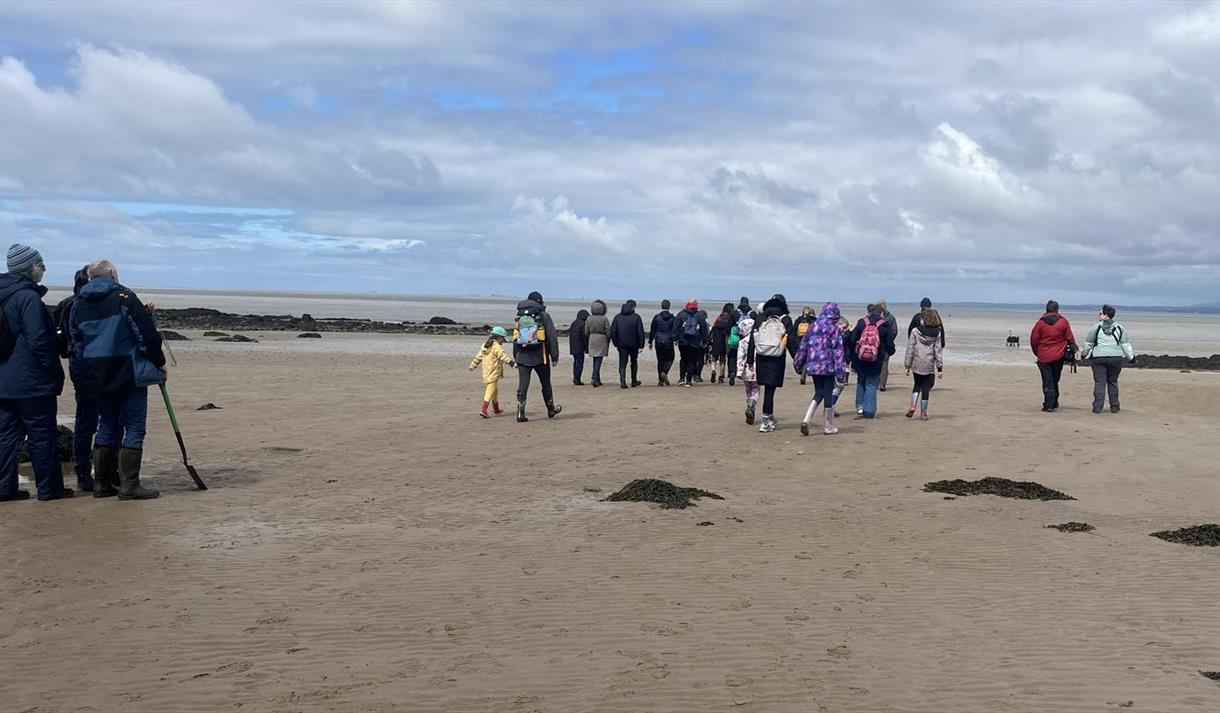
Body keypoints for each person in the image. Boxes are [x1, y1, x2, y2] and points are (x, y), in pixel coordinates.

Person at [70, 259, 165, 500]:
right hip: (126, 369)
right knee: (134, 426)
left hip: (96, 370)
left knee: (106, 425)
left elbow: (77, 339)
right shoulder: (124, 297)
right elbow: (145, 334)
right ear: (112, 273)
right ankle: (129, 485)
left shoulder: (79, 302)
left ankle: (102, 484)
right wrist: (159, 362)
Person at [0, 244, 70, 502]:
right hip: (31, 382)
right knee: (42, 436)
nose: (44, 269)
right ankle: (50, 489)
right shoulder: (27, 298)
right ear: (28, 269)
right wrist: (54, 372)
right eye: (40, 265)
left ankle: (4, 489)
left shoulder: (7, 295)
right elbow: (39, 340)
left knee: (6, 437)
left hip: (4, 381)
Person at [53, 266, 98, 492]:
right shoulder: (86, 303)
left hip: (77, 367)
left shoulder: (68, 303)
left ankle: (84, 471)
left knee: (86, 421)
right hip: (89, 367)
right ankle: (93, 471)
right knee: (100, 420)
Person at [793, 302, 847, 436]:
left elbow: (803, 346)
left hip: (813, 365)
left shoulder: (813, 327)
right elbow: (838, 351)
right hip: (828, 366)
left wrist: (798, 363)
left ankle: (807, 419)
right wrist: (840, 372)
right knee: (827, 393)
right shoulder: (834, 329)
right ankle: (828, 425)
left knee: (819, 392)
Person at [511, 291, 562, 422]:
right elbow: (552, 337)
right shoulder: (544, 316)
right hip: (541, 356)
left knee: (523, 385)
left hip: (522, 355)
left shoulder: (520, 316)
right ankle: (550, 409)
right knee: (546, 383)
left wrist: (516, 355)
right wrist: (554, 356)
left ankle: (520, 413)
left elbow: (516, 337)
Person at [751, 294, 793, 433]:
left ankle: (769, 417)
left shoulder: (760, 318)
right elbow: (791, 341)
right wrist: (798, 359)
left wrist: (749, 359)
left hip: (761, 357)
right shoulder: (785, 319)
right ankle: (765, 421)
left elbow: (753, 339)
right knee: (770, 390)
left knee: (767, 389)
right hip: (776, 358)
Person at [846, 303, 896, 419]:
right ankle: (869, 411)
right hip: (876, 359)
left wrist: (854, 353)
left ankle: (860, 406)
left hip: (860, 358)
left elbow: (852, 340)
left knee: (861, 381)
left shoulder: (861, 322)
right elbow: (890, 345)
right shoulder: (884, 325)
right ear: (882, 313)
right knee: (871, 384)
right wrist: (889, 352)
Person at [1082, 304, 1134, 414]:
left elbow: (1089, 343)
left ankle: (1097, 407)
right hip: (1116, 358)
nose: (1099, 315)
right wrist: (1131, 357)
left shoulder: (1096, 327)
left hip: (1098, 358)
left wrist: (1084, 354)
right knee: (1113, 381)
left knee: (1099, 382)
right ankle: (1114, 406)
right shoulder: (1119, 328)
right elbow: (1125, 344)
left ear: (1106, 315)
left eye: (1100, 313)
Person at [1029, 299, 1076, 413]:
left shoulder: (1040, 323)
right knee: (1055, 379)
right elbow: (1069, 337)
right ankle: (1053, 402)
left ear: (1047, 309)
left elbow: (1034, 340)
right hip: (1058, 355)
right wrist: (1072, 347)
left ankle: (1049, 404)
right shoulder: (1063, 322)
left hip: (1044, 356)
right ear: (1057, 309)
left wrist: (1037, 352)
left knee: (1048, 380)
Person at [904, 308, 945, 421]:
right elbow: (938, 351)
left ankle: (912, 406)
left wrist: (907, 365)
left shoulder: (915, 331)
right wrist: (940, 368)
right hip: (929, 363)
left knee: (917, 384)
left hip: (916, 362)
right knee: (926, 388)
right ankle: (923, 413)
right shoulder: (937, 333)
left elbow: (910, 349)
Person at [469, 327, 515, 418]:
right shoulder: (497, 347)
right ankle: (484, 410)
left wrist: (473, 365)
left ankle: (496, 409)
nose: (503, 341)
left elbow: (478, 357)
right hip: (494, 371)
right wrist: (512, 363)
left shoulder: (485, 345)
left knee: (494, 390)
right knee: (490, 390)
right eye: (502, 339)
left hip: (486, 371)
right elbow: (503, 356)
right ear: (499, 337)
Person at [610, 299, 645, 389]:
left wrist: (616, 343)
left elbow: (613, 332)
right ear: (633, 307)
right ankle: (634, 381)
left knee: (622, 363)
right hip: (634, 344)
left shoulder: (617, 317)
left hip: (622, 344)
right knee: (634, 362)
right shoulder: (636, 317)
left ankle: (623, 382)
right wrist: (641, 345)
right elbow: (640, 332)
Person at [673, 299, 708, 387]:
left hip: (683, 340)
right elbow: (704, 330)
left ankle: (682, 378)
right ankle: (688, 380)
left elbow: (675, 327)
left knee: (683, 359)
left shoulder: (681, 314)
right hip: (695, 341)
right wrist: (705, 341)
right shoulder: (699, 316)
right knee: (692, 360)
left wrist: (675, 338)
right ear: (696, 306)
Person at [735, 314, 760, 425]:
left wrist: (739, 371)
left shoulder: (742, 342)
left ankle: (749, 406)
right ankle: (751, 405)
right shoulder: (759, 339)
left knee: (748, 390)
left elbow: (740, 358)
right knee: (756, 390)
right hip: (757, 370)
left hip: (746, 370)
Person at [648, 299, 677, 386]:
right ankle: (664, 372)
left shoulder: (657, 317)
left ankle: (661, 380)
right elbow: (674, 330)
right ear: (669, 306)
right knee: (670, 358)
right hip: (668, 340)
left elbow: (652, 330)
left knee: (660, 360)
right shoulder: (672, 318)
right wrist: (675, 339)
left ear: (661, 306)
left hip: (659, 340)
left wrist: (650, 342)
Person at [583, 299, 610, 388]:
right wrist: (608, 338)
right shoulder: (604, 318)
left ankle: (597, 378)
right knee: (599, 359)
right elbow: (608, 330)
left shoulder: (589, 318)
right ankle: (594, 377)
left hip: (592, 338)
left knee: (595, 359)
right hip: (602, 339)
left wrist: (590, 336)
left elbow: (586, 331)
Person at [876, 299, 899, 391]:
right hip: (885, 344)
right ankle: (882, 385)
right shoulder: (891, 317)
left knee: (877, 364)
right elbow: (894, 331)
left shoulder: (873, 316)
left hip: (876, 344)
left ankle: (877, 384)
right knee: (884, 365)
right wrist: (889, 340)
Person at [708, 303, 734, 384]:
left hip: (715, 344)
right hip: (724, 344)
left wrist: (709, 342)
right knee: (722, 361)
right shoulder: (728, 324)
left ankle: (713, 370)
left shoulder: (716, 324)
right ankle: (721, 376)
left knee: (714, 359)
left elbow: (711, 334)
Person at [792, 305, 816, 385]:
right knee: (807, 359)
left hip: (799, 341)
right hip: (810, 341)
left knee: (800, 358)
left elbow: (794, 331)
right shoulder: (813, 320)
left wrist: (794, 341)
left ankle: (801, 371)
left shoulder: (798, 320)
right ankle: (804, 372)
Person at [569, 308, 589, 386]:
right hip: (580, 346)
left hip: (573, 346)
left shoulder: (573, 323)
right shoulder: (583, 324)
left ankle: (575, 377)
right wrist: (586, 348)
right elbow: (584, 336)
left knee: (576, 362)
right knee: (579, 363)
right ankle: (577, 378)